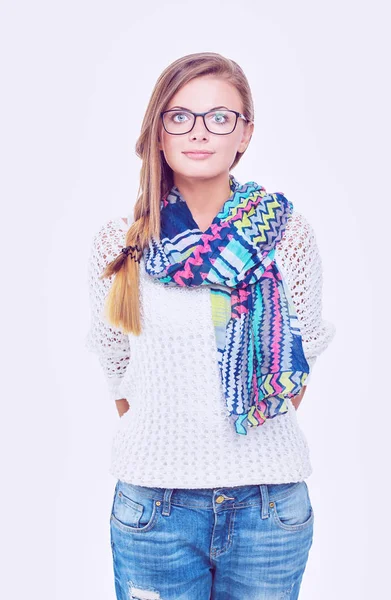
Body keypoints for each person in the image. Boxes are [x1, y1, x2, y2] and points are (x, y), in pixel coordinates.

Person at [86, 52, 336, 600]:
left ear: (244, 134)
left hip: (269, 507)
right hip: (155, 507)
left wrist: (242, 430)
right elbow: (116, 364)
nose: (200, 132)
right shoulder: (123, 241)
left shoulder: (286, 235)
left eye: (220, 117)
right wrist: (168, 434)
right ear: (157, 130)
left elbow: (305, 351)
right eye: (180, 116)